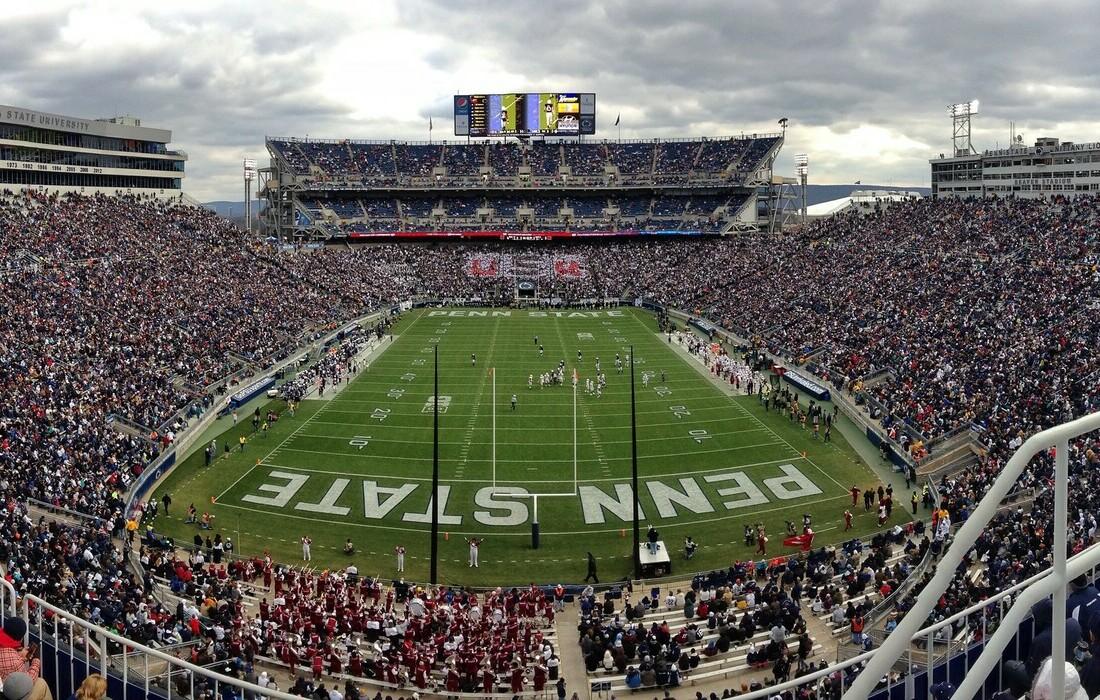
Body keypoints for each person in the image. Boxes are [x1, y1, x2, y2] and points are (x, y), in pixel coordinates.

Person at [0, 619, 49, 700]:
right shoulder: (14, 661)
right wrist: (36, 660)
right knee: (41, 683)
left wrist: (20, 657)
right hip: (7, 695)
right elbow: (28, 682)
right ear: (21, 638)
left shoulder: (12, 657)